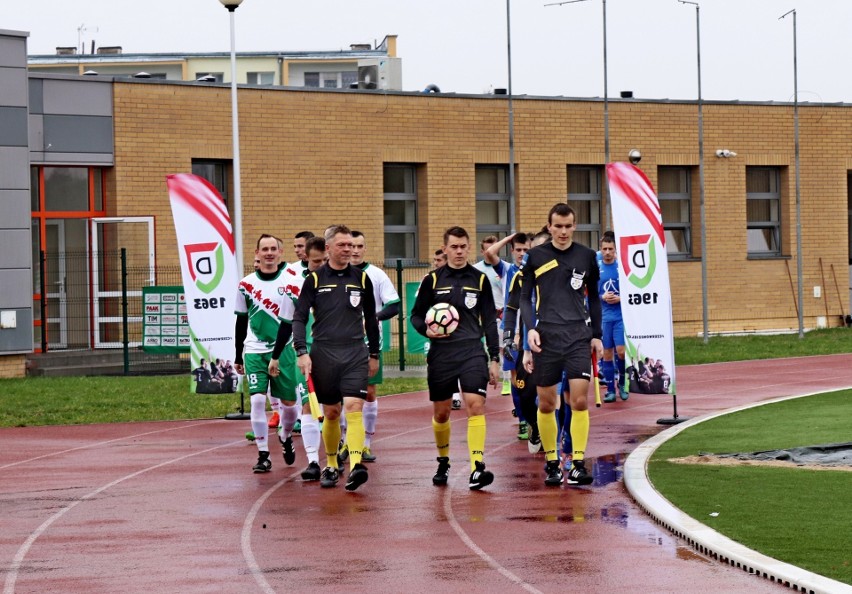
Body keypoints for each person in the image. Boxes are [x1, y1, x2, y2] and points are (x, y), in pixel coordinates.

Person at [410, 226, 501, 491]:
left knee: (475, 404)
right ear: (445, 248)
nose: (459, 251)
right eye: (454, 247)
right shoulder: (433, 280)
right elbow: (415, 315)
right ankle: (443, 460)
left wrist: (494, 358)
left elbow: (490, 323)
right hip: (442, 354)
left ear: (469, 247)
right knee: (442, 413)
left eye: (463, 246)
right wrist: (425, 330)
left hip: (472, 351)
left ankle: (477, 466)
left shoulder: (479, 279)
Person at [520, 203, 603, 487]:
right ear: (550, 226)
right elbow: (524, 298)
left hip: (579, 336)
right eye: (558, 226)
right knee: (547, 403)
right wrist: (530, 332)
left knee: (579, 400)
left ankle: (578, 463)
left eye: (569, 226)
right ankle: (552, 462)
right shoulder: (534, 256)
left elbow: (593, 299)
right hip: (547, 337)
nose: (564, 231)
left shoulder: (587, 256)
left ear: (574, 225)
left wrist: (597, 334)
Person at [292, 225, 381, 492]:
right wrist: (301, 351)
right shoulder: (315, 279)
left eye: (351, 246)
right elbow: (299, 317)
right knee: (331, 413)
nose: (349, 250)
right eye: (343, 245)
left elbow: (372, 321)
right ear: (329, 248)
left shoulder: (362, 278)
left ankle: (355, 466)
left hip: (355, 352)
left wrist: (374, 353)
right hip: (324, 353)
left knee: (355, 407)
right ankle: (331, 464)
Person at [234, 234, 300, 473]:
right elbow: (240, 322)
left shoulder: (291, 280)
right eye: (265, 249)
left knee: (289, 405)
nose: (269, 253)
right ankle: (263, 454)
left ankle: (285, 435)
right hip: (254, 350)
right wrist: (237, 354)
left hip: (283, 350)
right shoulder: (246, 284)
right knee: (257, 400)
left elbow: (295, 318)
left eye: (273, 249)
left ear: (280, 253)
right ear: (257, 253)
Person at [349, 231, 401, 463]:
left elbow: (394, 305)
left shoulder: (376, 275)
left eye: (360, 246)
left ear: (365, 248)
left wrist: (372, 318)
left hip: (369, 344)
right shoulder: (334, 275)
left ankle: (367, 444)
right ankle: (346, 443)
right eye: (352, 246)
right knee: (344, 396)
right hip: (339, 344)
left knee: (369, 393)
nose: (356, 250)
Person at [486, 232, 531, 438]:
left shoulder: (535, 270)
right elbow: (490, 252)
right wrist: (510, 237)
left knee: (534, 374)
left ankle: (535, 417)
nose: (522, 253)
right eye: (518, 249)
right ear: (512, 251)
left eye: (526, 250)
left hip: (531, 328)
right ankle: (522, 419)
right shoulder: (506, 269)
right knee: (515, 376)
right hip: (509, 330)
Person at [474, 235, 510, 395]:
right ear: (482, 251)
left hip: (500, 314)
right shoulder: (476, 270)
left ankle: (507, 380)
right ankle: (480, 379)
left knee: (503, 349)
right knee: (478, 348)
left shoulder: (505, 268)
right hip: (481, 315)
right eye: (487, 249)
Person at [597, 231, 628, 403]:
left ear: (615, 250)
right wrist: (602, 297)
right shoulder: (597, 268)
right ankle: (610, 389)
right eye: (604, 249)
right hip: (604, 317)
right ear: (600, 250)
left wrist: (620, 298)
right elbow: (590, 294)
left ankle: (622, 384)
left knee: (622, 352)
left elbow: (632, 291)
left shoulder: (621, 267)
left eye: (610, 249)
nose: (607, 252)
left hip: (620, 316)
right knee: (607, 354)